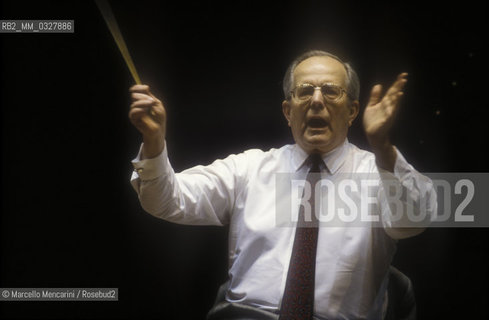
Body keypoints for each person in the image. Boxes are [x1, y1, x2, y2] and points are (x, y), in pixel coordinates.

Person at [128, 50, 436, 319]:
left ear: (352, 111)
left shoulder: (377, 172)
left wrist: (383, 147)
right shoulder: (249, 168)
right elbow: (167, 199)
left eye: (330, 91)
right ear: (288, 112)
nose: (317, 100)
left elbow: (417, 217)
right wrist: (154, 143)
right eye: (304, 91)